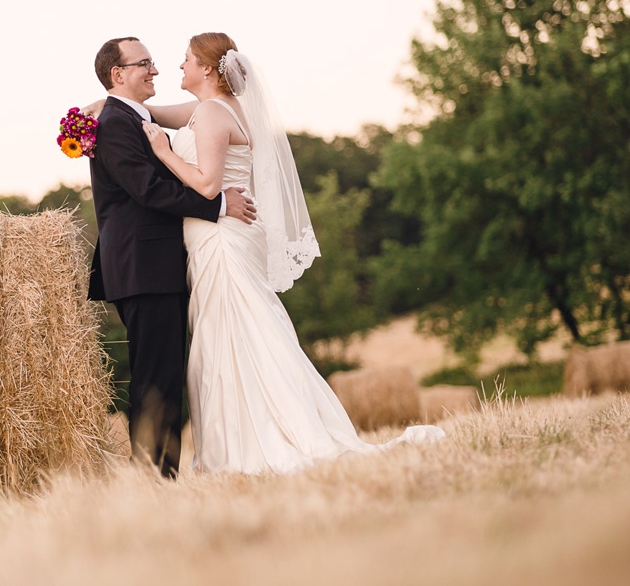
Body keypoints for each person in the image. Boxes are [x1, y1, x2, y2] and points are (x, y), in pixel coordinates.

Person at [135, 32, 445, 474]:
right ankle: (242, 441)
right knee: (238, 332)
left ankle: (250, 447)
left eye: (185, 59)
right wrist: (102, 108)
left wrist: (164, 153)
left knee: (230, 336)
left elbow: (206, 185)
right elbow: (151, 111)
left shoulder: (209, 113)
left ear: (207, 68)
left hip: (221, 239)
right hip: (223, 237)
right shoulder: (217, 109)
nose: (177, 67)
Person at [86, 36, 256, 478]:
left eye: (158, 62)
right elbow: (147, 190)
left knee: (162, 371)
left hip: (158, 264)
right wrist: (218, 206)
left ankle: (156, 473)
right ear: (118, 74)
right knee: (156, 375)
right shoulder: (117, 123)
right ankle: (154, 475)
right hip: (144, 266)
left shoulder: (129, 116)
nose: (157, 70)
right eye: (144, 63)